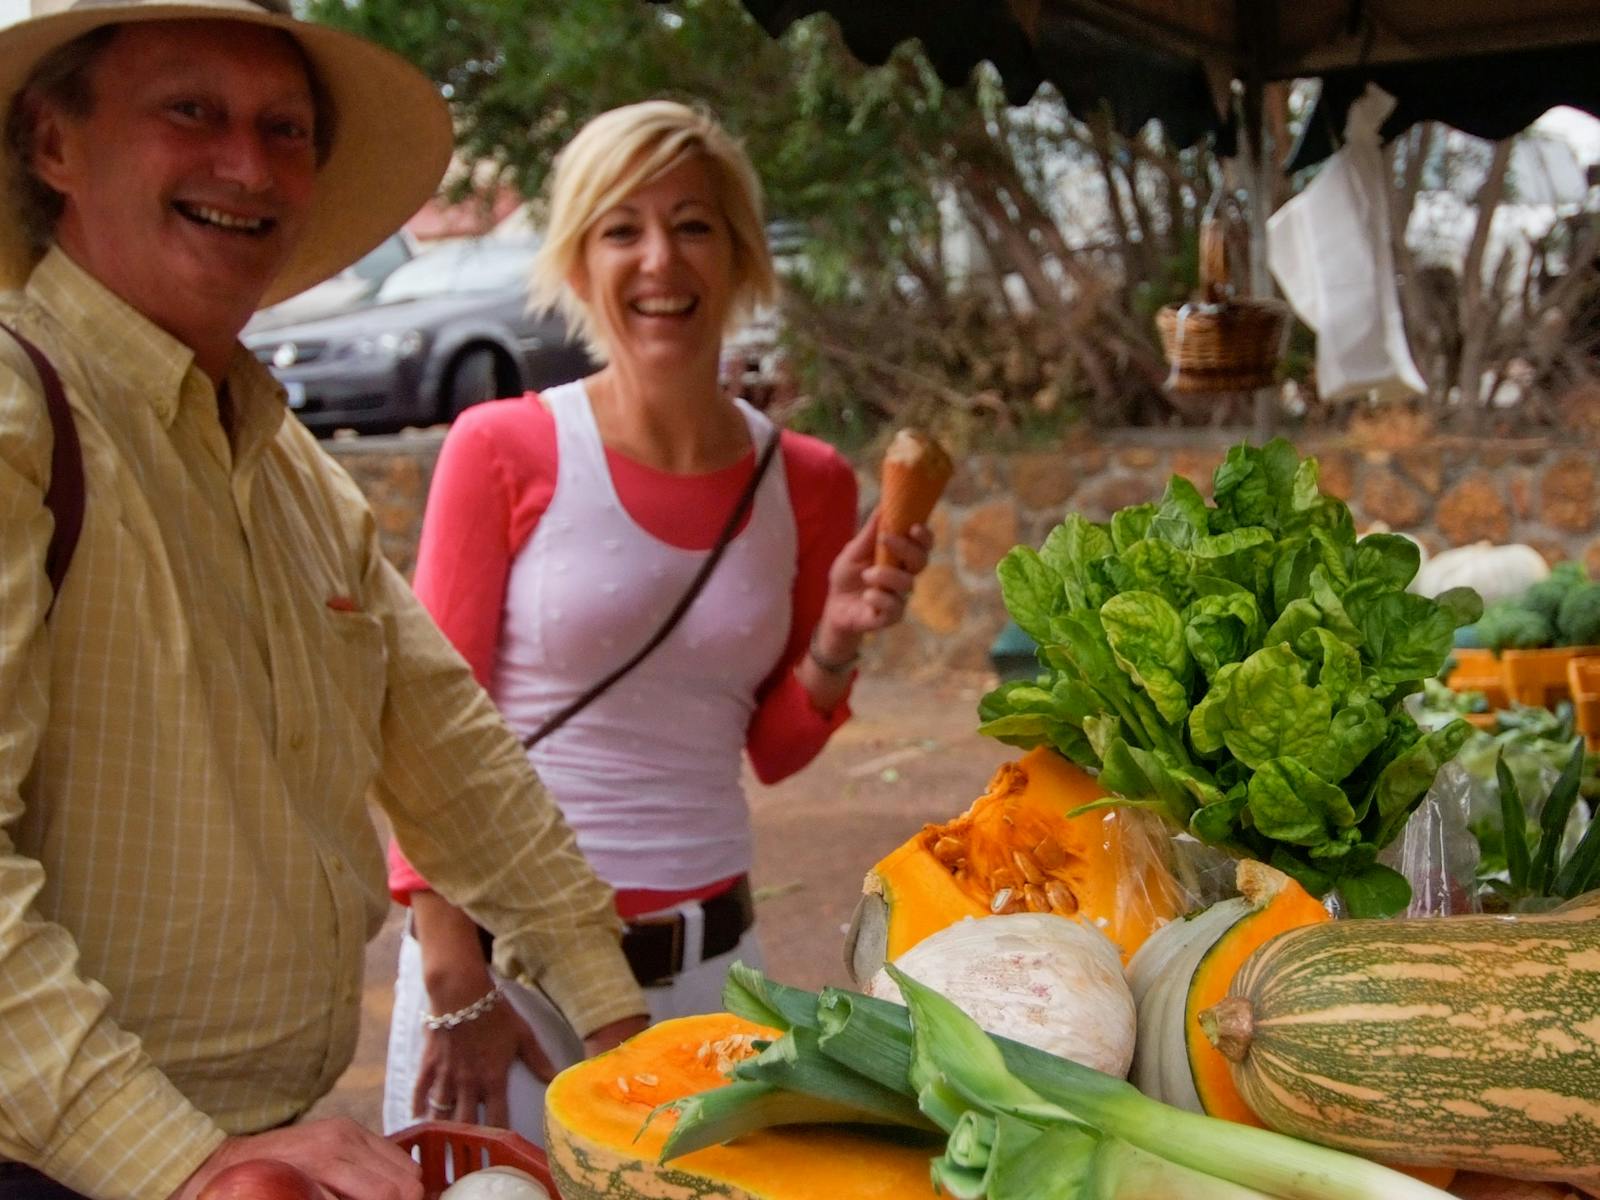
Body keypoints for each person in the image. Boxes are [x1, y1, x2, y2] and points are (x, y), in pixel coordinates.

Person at [0, 5, 649, 1199]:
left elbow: (457, 764)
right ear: (53, 143)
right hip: (62, 1161)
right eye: (190, 111)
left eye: (284, 128)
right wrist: (187, 1162)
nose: (247, 165)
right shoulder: (19, 408)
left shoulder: (285, 464)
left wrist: (621, 1031)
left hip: (259, 1147)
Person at [382, 100, 934, 1140]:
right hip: (509, 987)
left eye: (691, 224)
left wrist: (835, 642)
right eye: (619, 228)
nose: (658, 261)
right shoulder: (502, 445)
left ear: (738, 254)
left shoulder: (806, 482)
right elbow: (421, 725)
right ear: (578, 260)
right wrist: (455, 980)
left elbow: (767, 751)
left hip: (712, 981)